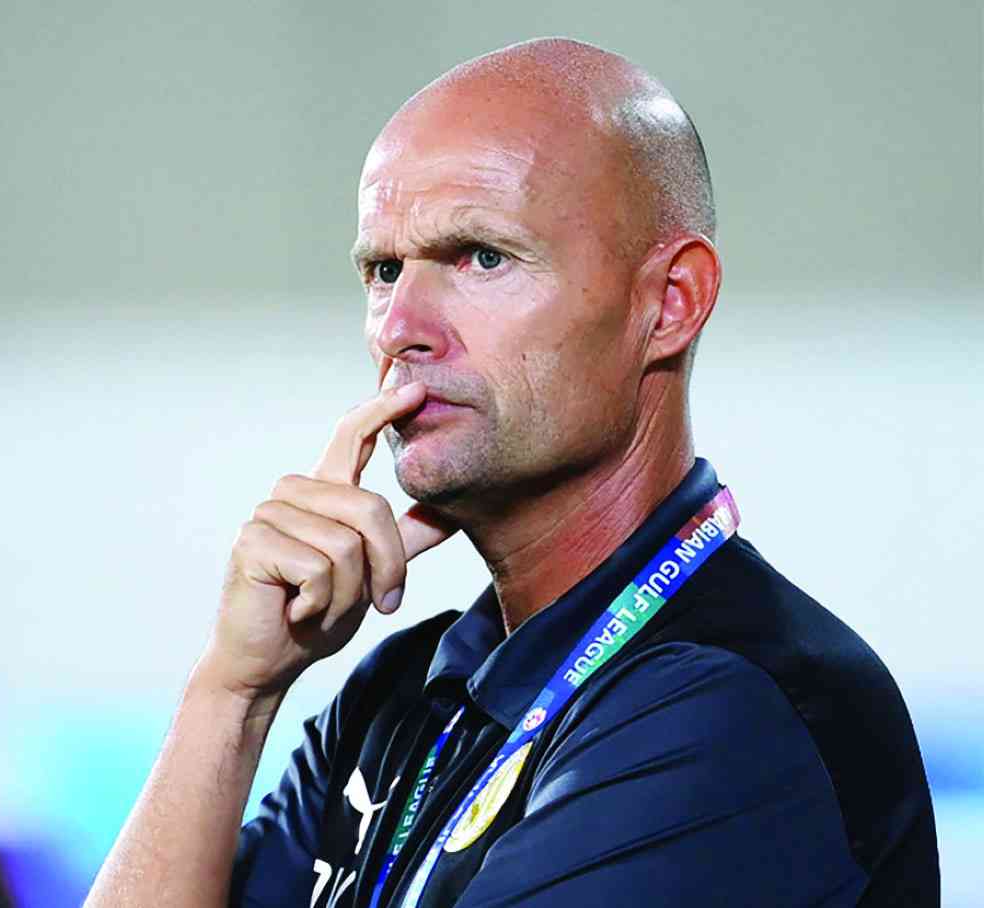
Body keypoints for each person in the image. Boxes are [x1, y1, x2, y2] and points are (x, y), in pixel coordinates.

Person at [85, 37, 939, 908]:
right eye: (384, 271)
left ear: (670, 302)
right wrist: (232, 694)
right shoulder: (394, 702)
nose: (400, 329)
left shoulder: (729, 705)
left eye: (481, 257)